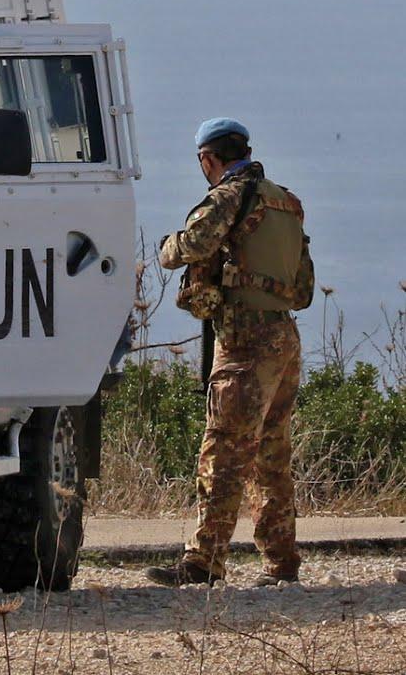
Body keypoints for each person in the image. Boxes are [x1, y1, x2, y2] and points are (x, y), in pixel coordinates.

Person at [146, 118, 313, 588]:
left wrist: (168, 248)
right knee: (271, 456)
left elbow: (193, 244)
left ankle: (204, 562)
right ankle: (281, 564)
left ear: (209, 158)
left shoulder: (227, 196)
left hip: (243, 343)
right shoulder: (286, 202)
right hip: (284, 338)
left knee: (223, 452)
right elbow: (302, 291)